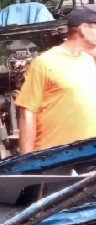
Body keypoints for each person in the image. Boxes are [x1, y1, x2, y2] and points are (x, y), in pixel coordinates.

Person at [16, 4, 96, 154]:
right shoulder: (45, 63)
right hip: (55, 158)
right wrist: (26, 161)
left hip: (88, 156)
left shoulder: (88, 60)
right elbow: (28, 112)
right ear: (84, 29)